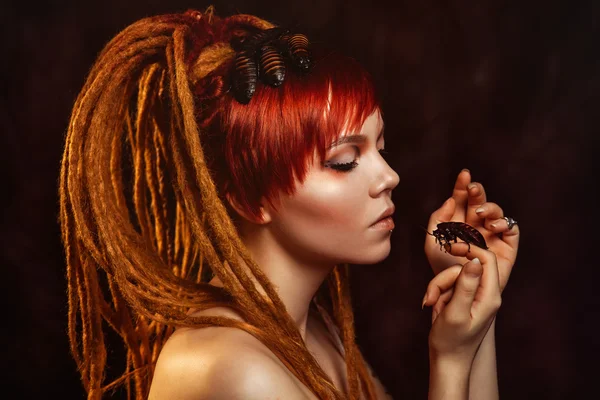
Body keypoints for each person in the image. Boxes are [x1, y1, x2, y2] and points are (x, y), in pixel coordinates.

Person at [59, 6, 520, 400]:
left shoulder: (312, 334)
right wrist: (451, 359)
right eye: (344, 161)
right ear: (248, 197)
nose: (389, 177)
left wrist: (478, 302)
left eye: (381, 147)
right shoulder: (230, 367)